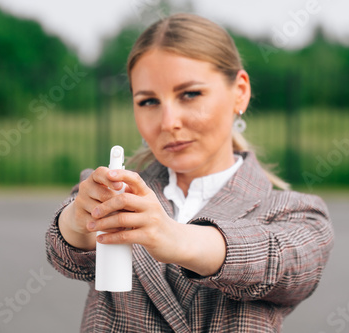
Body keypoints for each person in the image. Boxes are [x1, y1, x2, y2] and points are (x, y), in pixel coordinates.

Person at [46, 13, 334, 332]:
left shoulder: (298, 215)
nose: (168, 121)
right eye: (149, 101)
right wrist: (78, 219)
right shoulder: (118, 194)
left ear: (239, 91)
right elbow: (65, 254)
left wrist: (174, 237)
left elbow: (284, 265)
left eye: (190, 94)